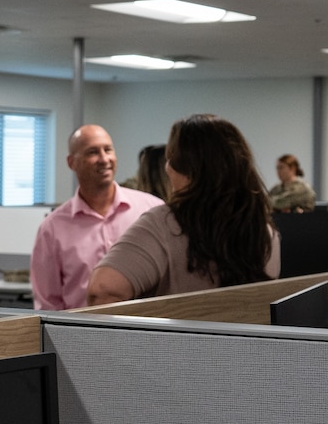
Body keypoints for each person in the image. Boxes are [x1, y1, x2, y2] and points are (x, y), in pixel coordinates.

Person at [87, 115, 281, 305]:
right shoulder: (265, 233)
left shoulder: (165, 224)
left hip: (175, 337)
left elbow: (102, 290)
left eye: (171, 160)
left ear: (186, 170)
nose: (167, 168)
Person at [30, 125, 162, 311]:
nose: (104, 159)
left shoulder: (152, 210)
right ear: (72, 163)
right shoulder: (52, 229)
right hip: (81, 334)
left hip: (146, 330)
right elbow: (48, 304)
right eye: (93, 152)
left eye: (108, 150)